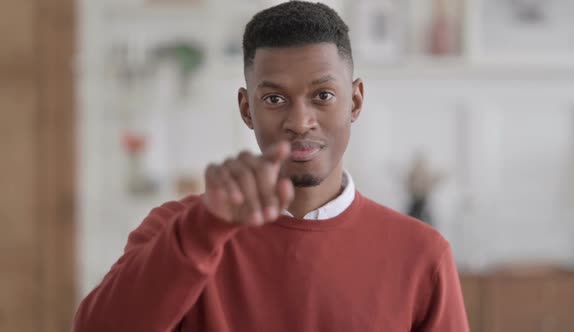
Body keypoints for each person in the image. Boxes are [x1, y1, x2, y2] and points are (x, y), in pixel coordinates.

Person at [73, 2, 469, 331]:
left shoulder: (422, 256)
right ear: (247, 109)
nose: (300, 121)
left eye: (323, 95)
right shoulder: (177, 230)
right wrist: (203, 229)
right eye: (275, 99)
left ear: (356, 102)